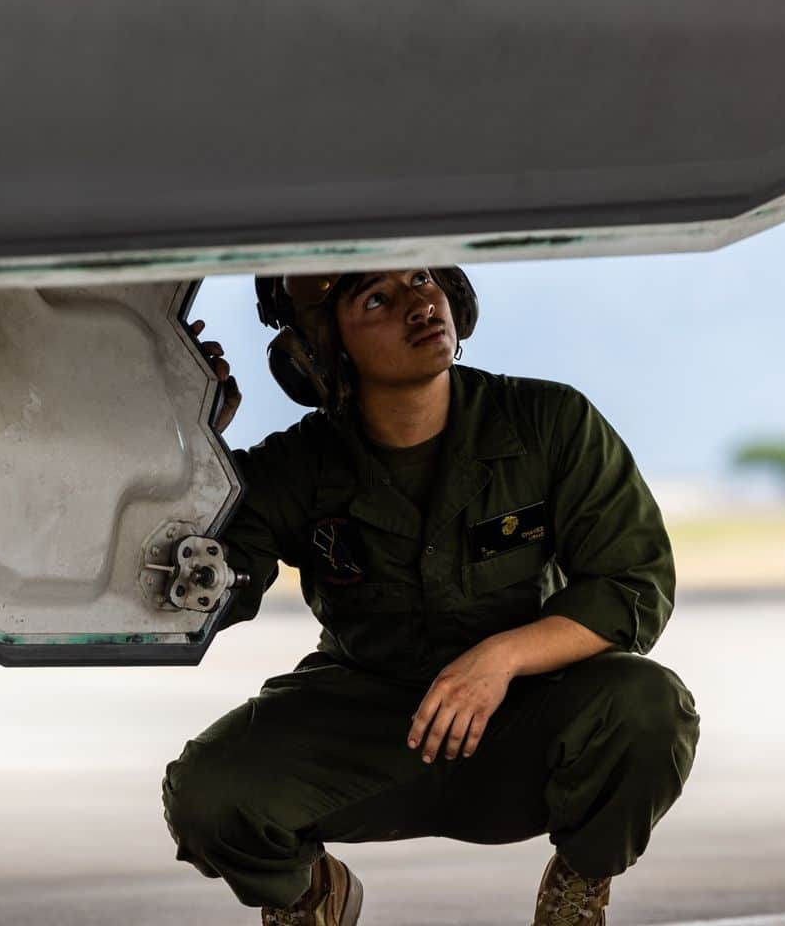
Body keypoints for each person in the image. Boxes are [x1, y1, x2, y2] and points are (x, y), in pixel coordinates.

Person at [162, 266, 700, 926]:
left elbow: (632, 583)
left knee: (648, 706)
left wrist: (501, 659)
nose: (420, 304)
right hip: (365, 727)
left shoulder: (547, 423)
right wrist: (189, 442)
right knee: (207, 794)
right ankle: (308, 894)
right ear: (323, 351)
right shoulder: (295, 468)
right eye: (378, 300)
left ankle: (579, 886)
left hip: (524, 719)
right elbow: (199, 584)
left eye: (420, 277)